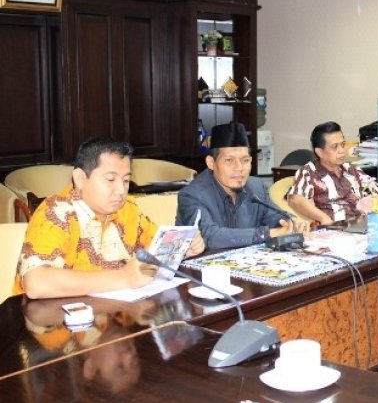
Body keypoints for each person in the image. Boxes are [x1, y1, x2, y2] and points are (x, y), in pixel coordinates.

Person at [13, 137, 205, 299]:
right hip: (55, 322)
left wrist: (182, 248)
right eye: (110, 179)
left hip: (113, 316)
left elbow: (154, 251)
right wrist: (123, 277)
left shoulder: (127, 209)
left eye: (126, 180)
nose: (121, 190)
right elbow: (36, 283)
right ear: (80, 178)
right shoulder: (55, 213)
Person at [176, 122, 304, 249]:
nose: (239, 168)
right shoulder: (192, 195)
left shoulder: (256, 187)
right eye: (229, 160)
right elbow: (211, 236)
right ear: (211, 163)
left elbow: (273, 216)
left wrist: (290, 224)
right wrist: (267, 234)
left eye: (245, 160)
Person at [287, 121, 378, 225]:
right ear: (319, 152)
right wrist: (323, 218)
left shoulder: (352, 170)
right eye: (335, 147)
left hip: (362, 226)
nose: (341, 150)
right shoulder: (309, 172)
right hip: (334, 229)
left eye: (342, 145)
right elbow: (295, 199)